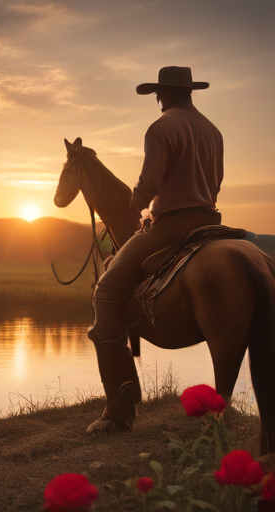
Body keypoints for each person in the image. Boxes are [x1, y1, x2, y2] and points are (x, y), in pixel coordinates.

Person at [86, 66, 224, 433]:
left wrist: (135, 207)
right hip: (211, 219)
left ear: (161, 94)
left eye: (158, 94)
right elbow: (218, 181)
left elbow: (150, 180)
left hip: (172, 225)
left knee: (106, 291)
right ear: (189, 92)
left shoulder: (161, 127)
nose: (158, 99)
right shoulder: (213, 130)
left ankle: (120, 403)